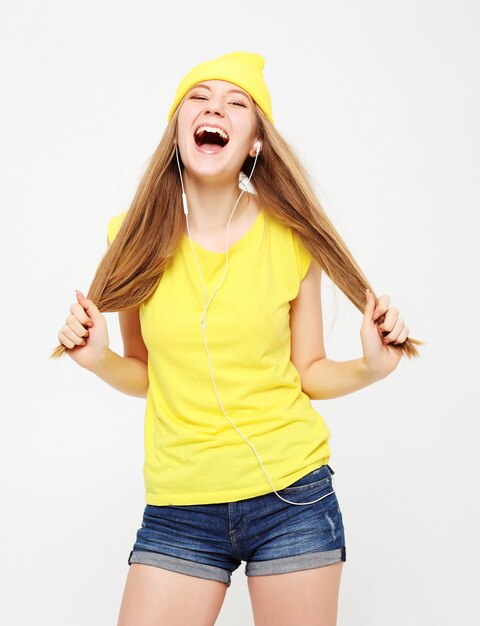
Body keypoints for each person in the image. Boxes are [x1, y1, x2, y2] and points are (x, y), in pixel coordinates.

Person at [51, 51, 423, 626]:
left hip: (292, 497)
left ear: (254, 141)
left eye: (235, 103)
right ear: (178, 131)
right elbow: (148, 372)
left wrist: (371, 368)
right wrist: (99, 361)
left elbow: (308, 370)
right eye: (198, 99)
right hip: (180, 506)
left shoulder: (292, 239)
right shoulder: (132, 237)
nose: (214, 109)